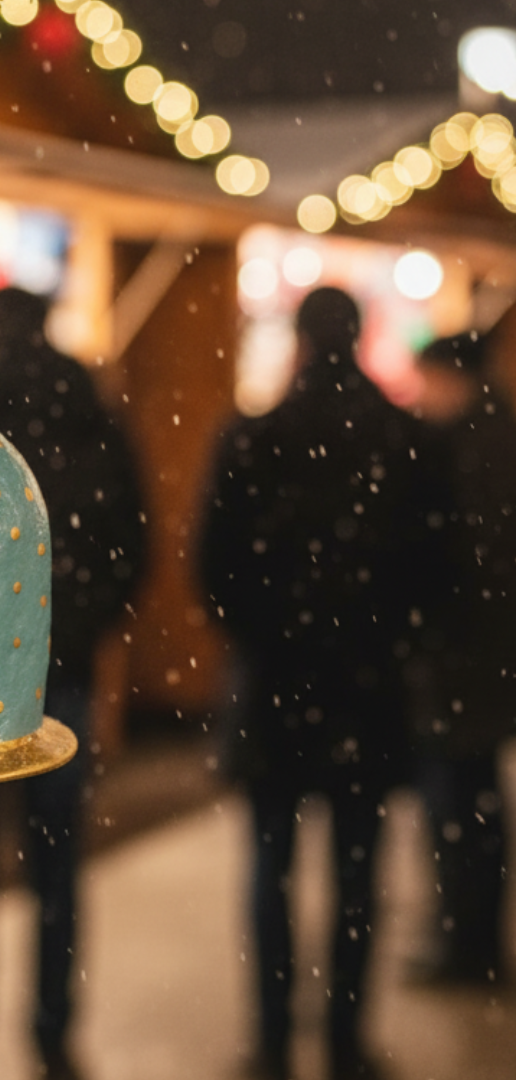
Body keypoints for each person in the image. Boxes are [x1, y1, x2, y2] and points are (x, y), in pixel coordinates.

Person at [199, 288, 452, 1080]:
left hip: (276, 686)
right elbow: (438, 570)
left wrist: (265, 634)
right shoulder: (406, 439)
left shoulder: (253, 436)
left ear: (303, 341)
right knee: (358, 874)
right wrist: (386, 638)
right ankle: (345, 1041)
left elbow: (213, 566)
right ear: (360, 337)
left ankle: (273, 1041)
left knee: (269, 872)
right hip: (369, 694)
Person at [0, 286, 148, 1080]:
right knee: (56, 866)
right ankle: (53, 1034)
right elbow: (132, 545)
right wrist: (77, 632)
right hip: (64, 676)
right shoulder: (97, 421)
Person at [406, 331, 516, 984]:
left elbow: (459, 562)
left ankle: (464, 944)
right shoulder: (501, 436)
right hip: (492, 656)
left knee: (456, 804)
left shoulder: (466, 448)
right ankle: (475, 940)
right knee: (479, 803)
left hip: (461, 658)